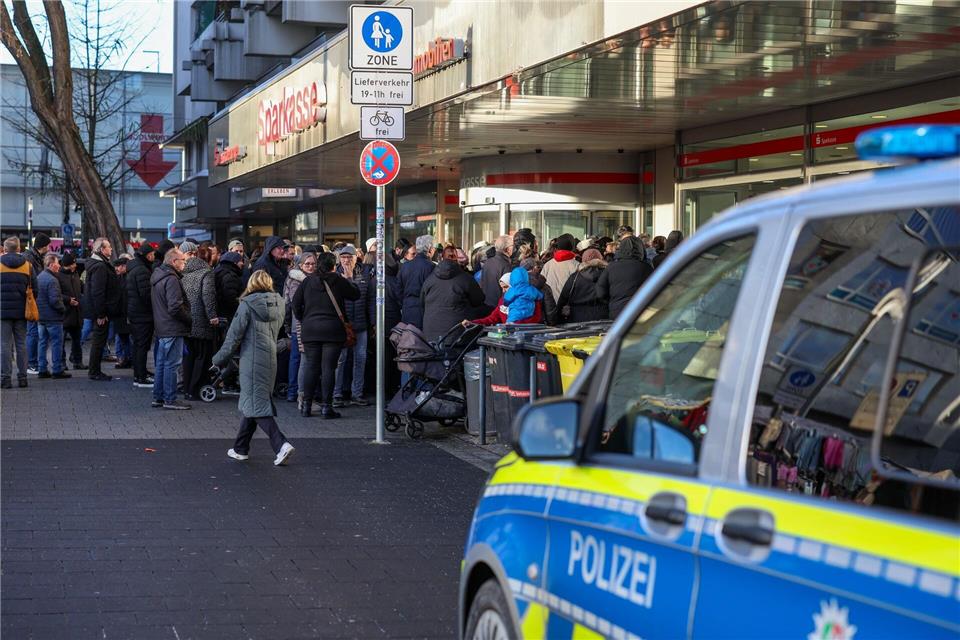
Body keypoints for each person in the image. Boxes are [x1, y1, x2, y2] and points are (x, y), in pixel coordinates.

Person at [213, 269, 295, 466]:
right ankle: (240, 448)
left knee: (257, 405)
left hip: (252, 360)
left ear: (250, 284)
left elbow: (233, 337)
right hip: (270, 358)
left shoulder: (247, 305)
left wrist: (218, 359)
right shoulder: (280, 304)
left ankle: (281, 444)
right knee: (254, 401)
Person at [292, 251, 360, 418]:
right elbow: (355, 295)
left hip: (310, 330)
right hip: (332, 330)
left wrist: (305, 318)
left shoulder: (307, 282)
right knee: (328, 368)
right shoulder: (337, 280)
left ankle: (306, 406)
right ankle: (326, 407)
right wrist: (349, 276)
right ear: (333, 265)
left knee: (311, 367)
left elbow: (295, 304)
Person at [150, 249, 192, 410]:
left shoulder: (158, 276)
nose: (185, 263)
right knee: (171, 364)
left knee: (162, 364)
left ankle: (159, 397)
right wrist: (189, 318)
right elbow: (175, 307)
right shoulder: (171, 279)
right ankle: (170, 399)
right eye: (183, 260)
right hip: (172, 327)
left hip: (162, 326)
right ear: (174, 261)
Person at [420, 246, 487, 342]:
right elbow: (479, 299)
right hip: (457, 335)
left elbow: (422, 303)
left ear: (441, 257)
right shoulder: (465, 278)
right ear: (456, 258)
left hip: (431, 334)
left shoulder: (429, 280)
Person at [333, 245, 371, 407]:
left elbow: (370, 300)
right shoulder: (335, 275)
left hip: (361, 324)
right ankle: (337, 393)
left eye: (350, 257)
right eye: (344, 257)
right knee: (340, 360)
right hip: (342, 325)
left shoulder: (365, 275)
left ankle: (357, 393)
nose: (347, 260)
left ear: (356, 258)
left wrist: (374, 323)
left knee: (360, 359)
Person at [180, 243, 220, 400]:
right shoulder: (206, 272)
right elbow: (208, 297)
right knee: (202, 357)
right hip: (201, 321)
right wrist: (212, 316)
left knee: (188, 357)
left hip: (186, 320)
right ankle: (197, 389)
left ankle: (187, 389)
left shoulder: (181, 272)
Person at [81, 237, 122, 381]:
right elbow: (98, 292)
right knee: (99, 341)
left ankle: (94, 370)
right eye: (109, 246)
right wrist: (101, 313)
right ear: (101, 250)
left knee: (99, 341)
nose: (111, 249)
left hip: (98, 310)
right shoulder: (99, 266)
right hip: (100, 311)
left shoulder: (98, 264)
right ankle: (94, 371)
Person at [0, 237, 34, 388]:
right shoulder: (28, 266)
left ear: (5, 249)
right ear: (19, 249)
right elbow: (35, 290)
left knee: (4, 345)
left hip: (2, 312)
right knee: (22, 345)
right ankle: (23, 378)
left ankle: (5, 379)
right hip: (22, 312)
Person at [282, 252, 315, 406]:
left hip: (307, 323)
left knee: (299, 359)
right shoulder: (297, 279)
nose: (310, 266)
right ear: (300, 265)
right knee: (297, 359)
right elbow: (291, 304)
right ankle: (293, 391)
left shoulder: (311, 279)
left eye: (313, 264)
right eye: (307, 264)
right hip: (299, 323)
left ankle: (295, 391)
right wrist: (288, 324)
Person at [597, 235, 653, 318]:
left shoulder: (611, 267)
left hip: (617, 311)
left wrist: (613, 301)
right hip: (640, 311)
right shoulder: (647, 268)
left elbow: (600, 292)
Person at [465, 268, 543, 327]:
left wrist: (513, 324)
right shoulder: (502, 301)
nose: (503, 291)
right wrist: (473, 323)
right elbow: (492, 319)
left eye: (505, 287)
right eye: (501, 288)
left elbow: (535, 320)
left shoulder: (532, 300)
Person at [126, 242, 156, 387]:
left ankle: (140, 372)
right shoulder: (142, 270)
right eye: (152, 254)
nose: (154, 256)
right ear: (147, 255)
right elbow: (146, 294)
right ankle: (141, 376)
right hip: (142, 315)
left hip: (136, 313)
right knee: (142, 346)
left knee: (139, 346)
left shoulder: (135, 268)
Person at [36, 253, 70, 379]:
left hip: (41, 317)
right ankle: (57, 369)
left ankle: (42, 369)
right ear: (51, 265)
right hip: (53, 317)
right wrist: (63, 309)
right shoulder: (52, 280)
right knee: (57, 343)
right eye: (57, 263)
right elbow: (55, 300)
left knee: (42, 343)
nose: (59, 266)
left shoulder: (39, 277)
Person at [22, 232, 49, 375]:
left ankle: (31, 363)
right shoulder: (30, 259)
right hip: (30, 300)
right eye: (48, 245)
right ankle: (31, 364)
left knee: (32, 333)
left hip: (31, 299)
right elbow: (33, 280)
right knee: (32, 333)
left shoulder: (34, 257)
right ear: (43, 246)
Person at [557, 248, 609, 323]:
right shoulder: (608, 275)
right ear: (601, 259)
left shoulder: (575, 277)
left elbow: (563, 298)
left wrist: (558, 318)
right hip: (603, 316)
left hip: (577, 317)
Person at [396, 234, 436, 329]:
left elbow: (398, 290)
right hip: (424, 311)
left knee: (408, 340)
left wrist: (405, 303)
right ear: (430, 249)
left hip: (407, 309)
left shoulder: (405, 266)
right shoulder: (431, 267)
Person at [56, 252, 84, 370]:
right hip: (65, 313)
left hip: (76, 313)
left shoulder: (75, 274)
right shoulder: (58, 276)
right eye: (73, 263)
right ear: (68, 264)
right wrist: (68, 300)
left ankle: (77, 361)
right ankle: (62, 363)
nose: (75, 265)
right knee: (61, 341)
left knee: (77, 340)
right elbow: (56, 294)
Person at [540, 233, 579, 303]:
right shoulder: (576, 265)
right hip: (568, 306)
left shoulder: (548, 264)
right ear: (572, 247)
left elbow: (541, 284)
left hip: (549, 304)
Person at [479, 234, 513, 308]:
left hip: (486, 304)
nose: (514, 248)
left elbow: (482, 284)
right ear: (507, 249)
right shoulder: (506, 265)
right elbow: (507, 290)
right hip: (498, 307)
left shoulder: (487, 262)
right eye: (512, 246)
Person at [521, 257, 558, 325]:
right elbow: (550, 309)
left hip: (518, 324)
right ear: (534, 268)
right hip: (539, 325)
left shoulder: (515, 284)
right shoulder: (544, 287)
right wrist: (552, 324)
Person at [111, 256, 132, 369]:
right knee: (123, 338)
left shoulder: (128, 277)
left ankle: (129, 358)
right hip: (120, 314)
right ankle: (126, 358)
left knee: (128, 339)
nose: (117, 269)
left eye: (119, 266)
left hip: (126, 313)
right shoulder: (120, 278)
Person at [214, 251, 245, 323]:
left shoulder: (220, 271)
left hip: (221, 313)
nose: (242, 263)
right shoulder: (230, 276)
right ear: (234, 262)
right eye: (240, 261)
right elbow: (230, 298)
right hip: (229, 315)